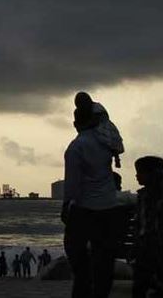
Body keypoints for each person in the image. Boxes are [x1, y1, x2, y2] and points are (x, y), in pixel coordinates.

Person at [62, 103, 118, 298]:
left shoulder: (76, 147)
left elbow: (72, 185)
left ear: (76, 123)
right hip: (109, 207)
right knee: (104, 261)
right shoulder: (106, 141)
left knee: (79, 261)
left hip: (85, 209)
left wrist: (66, 206)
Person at [131, 156, 163, 298]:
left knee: (140, 281)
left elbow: (148, 224)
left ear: (151, 174)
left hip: (151, 244)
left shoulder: (148, 197)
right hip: (161, 244)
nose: (136, 175)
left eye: (140, 172)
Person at [74, 92, 124, 168]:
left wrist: (85, 127)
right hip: (89, 129)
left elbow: (96, 120)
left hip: (102, 126)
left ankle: (117, 158)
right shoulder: (78, 112)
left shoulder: (96, 107)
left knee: (110, 139)